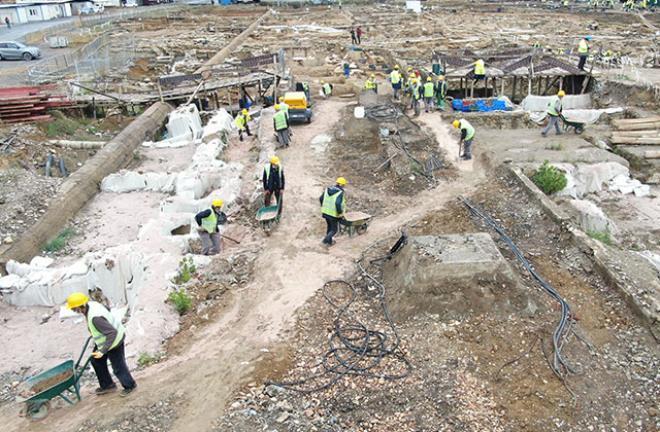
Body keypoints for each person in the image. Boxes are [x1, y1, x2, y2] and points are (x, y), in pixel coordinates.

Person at [65, 292, 137, 397]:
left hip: (114, 342)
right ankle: (107, 385)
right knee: (96, 361)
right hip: (105, 340)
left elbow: (112, 333)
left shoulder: (95, 318)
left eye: (74, 309)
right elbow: (107, 309)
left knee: (118, 367)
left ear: (80, 307)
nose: (74, 311)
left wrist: (103, 351)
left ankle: (130, 385)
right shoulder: (92, 305)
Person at [320, 177, 347, 246]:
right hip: (333, 214)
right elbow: (338, 203)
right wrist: (340, 212)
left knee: (329, 227)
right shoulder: (340, 192)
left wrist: (323, 206)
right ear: (341, 185)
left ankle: (329, 242)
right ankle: (324, 241)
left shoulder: (327, 189)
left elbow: (321, 198)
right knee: (334, 230)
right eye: (344, 185)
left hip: (325, 212)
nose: (344, 186)